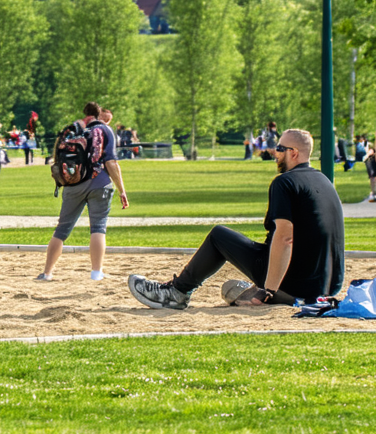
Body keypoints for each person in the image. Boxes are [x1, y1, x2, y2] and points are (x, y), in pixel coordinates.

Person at [128, 129, 345, 309]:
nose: (274, 152)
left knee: (218, 236)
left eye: (280, 149)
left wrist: (268, 291)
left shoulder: (284, 182)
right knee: (235, 279)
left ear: (294, 153)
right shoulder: (324, 181)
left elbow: (285, 238)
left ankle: (176, 293)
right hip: (327, 286)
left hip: (295, 284)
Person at [35, 101, 129, 282]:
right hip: (99, 183)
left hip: (73, 184)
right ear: (99, 115)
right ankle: (96, 273)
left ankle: (47, 273)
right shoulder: (104, 130)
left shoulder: (76, 130)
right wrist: (121, 190)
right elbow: (110, 163)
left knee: (61, 229)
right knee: (98, 228)